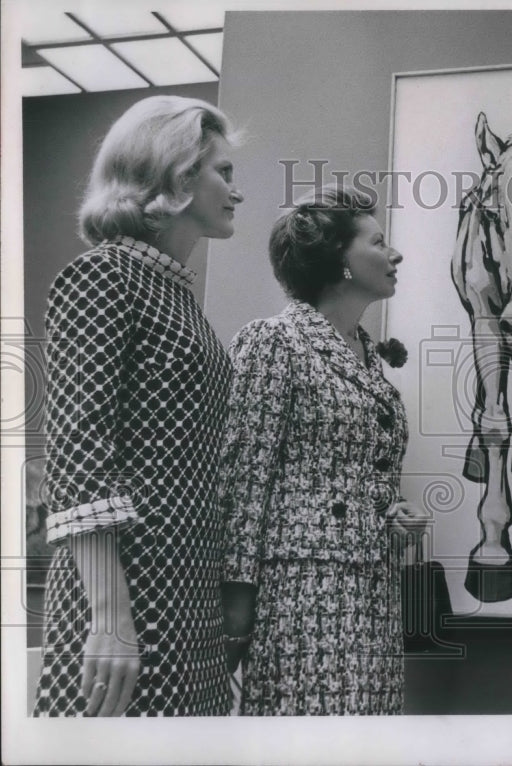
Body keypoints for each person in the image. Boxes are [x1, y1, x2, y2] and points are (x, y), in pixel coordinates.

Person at [33, 96, 244, 716]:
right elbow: (76, 453)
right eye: (223, 172)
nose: (236, 191)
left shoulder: (177, 297)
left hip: (187, 587)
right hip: (129, 589)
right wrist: (110, 613)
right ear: (178, 174)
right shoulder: (104, 275)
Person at [218, 184, 429, 715]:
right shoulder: (273, 341)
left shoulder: (365, 354)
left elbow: (349, 471)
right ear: (341, 259)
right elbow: (243, 481)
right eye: (379, 242)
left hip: (370, 587)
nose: (395, 253)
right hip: (300, 593)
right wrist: (236, 606)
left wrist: (388, 508)